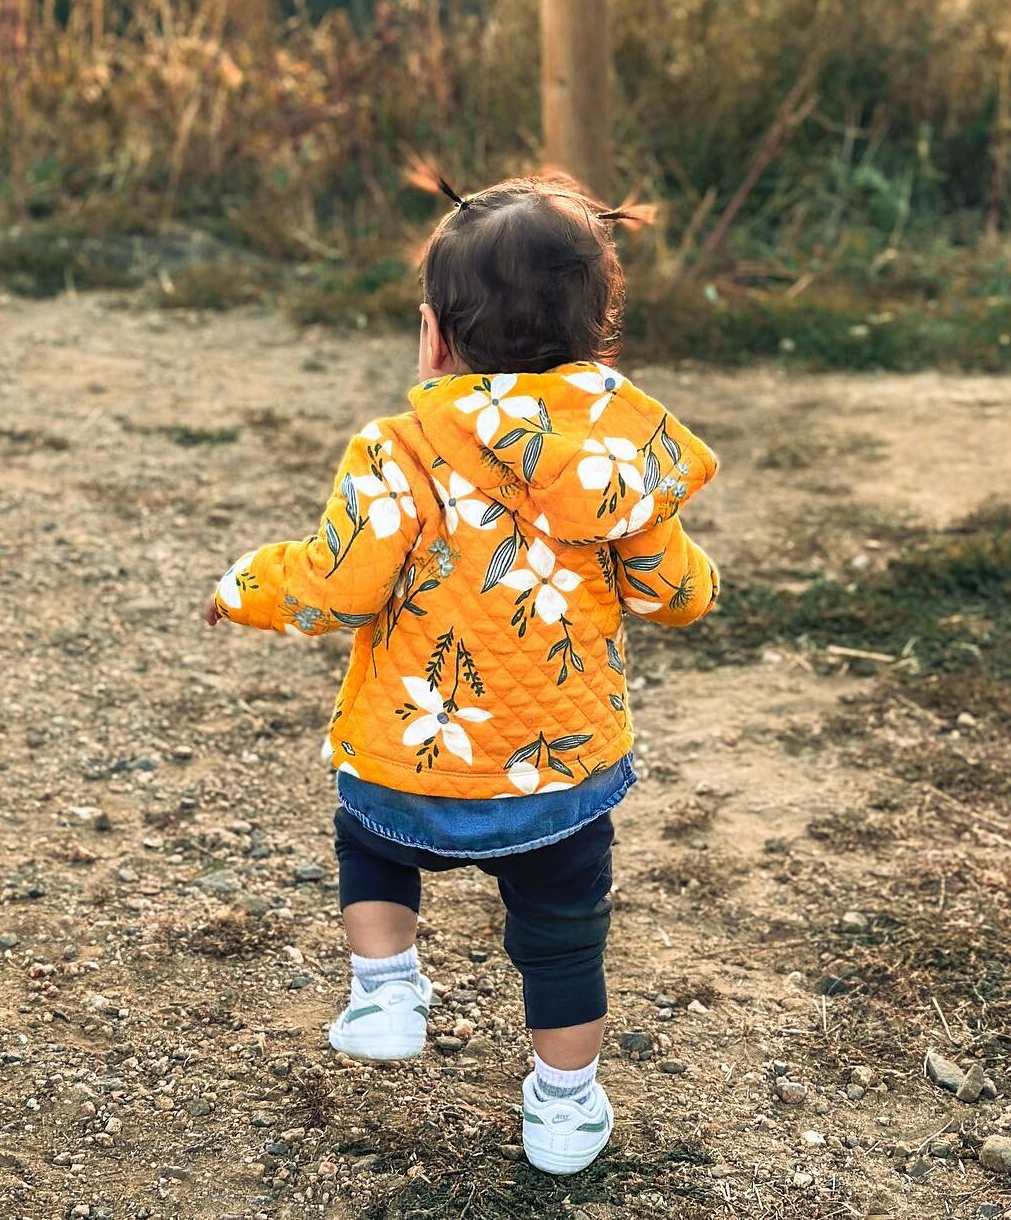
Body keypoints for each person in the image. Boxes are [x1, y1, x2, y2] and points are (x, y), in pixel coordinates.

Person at [204, 171, 719, 1175]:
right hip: (559, 779)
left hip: (412, 765)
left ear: (433, 333)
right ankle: (566, 1107)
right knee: (566, 943)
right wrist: (695, 576)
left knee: (370, 842)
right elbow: (671, 590)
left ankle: (386, 984)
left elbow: (334, 587)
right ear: (596, 336)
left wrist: (244, 583)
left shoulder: (395, 451)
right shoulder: (614, 464)